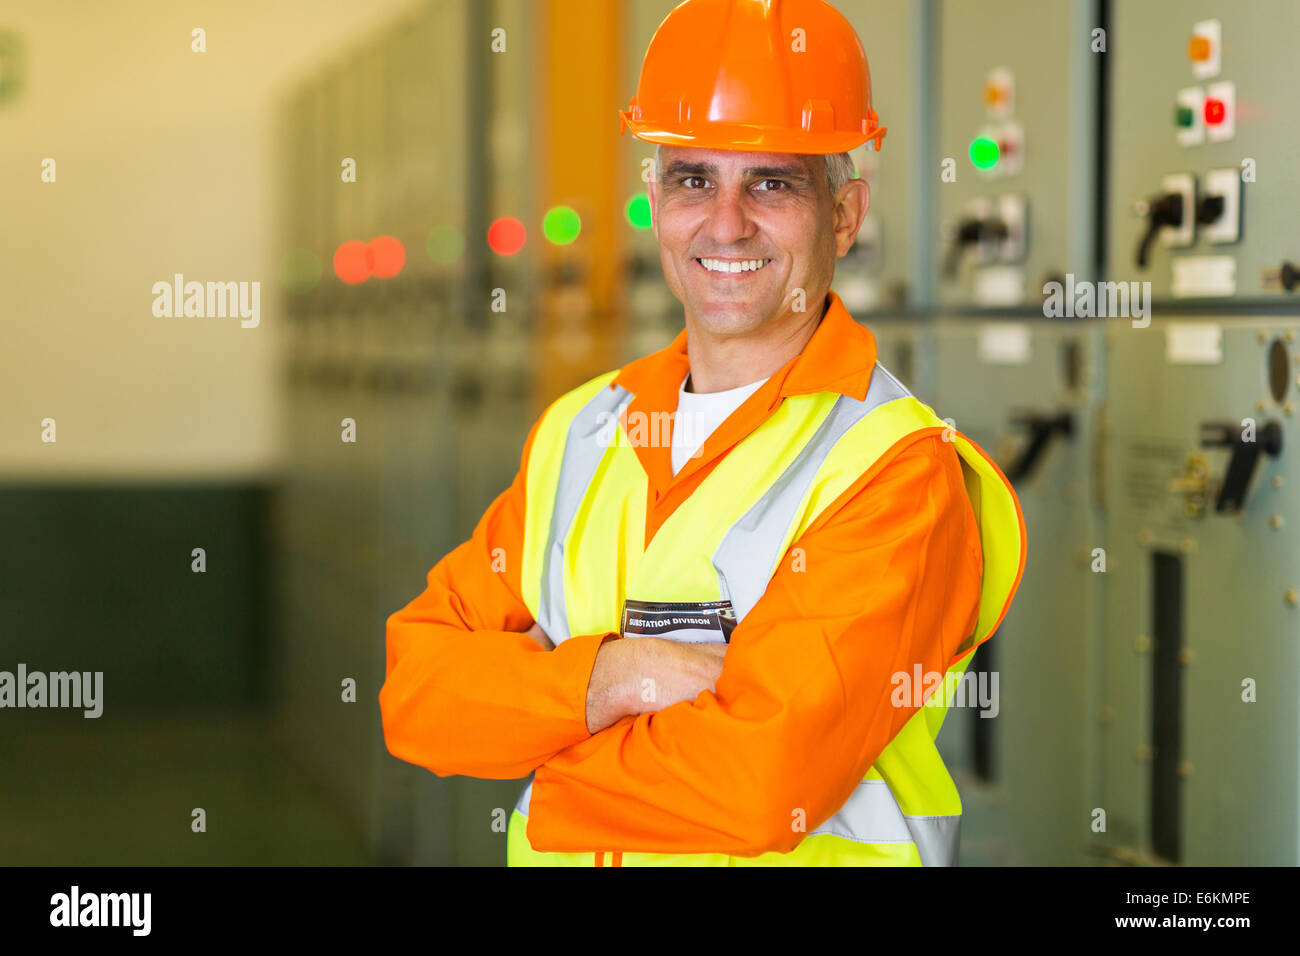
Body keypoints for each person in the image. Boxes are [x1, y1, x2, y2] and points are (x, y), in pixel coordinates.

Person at [380, 0, 1026, 866]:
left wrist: (539, 735)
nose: (725, 224)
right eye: (692, 179)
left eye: (772, 181)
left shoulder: (893, 471)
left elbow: (757, 785)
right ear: (652, 203)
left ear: (843, 213)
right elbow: (417, 694)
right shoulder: (584, 431)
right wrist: (611, 677)